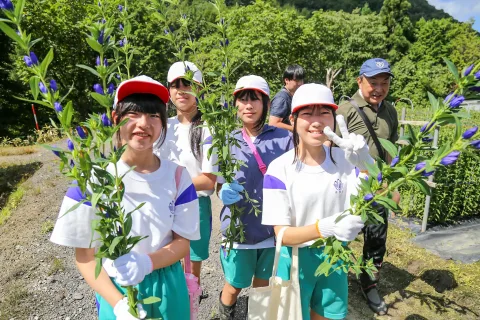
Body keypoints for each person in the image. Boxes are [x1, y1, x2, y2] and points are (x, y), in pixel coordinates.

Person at [50, 75, 200, 319]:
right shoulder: (90, 181)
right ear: (115, 119)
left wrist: (146, 263)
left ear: (163, 123)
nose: (144, 123)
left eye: (154, 115)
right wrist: (119, 304)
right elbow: (86, 257)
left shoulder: (178, 177)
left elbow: (183, 243)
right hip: (115, 288)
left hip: (168, 285)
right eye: (133, 114)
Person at [262, 83, 372, 320]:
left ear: (333, 118)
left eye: (324, 112)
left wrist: (366, 166)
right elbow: (282, 234)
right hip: (295, 259)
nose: (316, 121)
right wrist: (323, 228)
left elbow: (380, 198)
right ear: (293, 119)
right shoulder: (279, 169)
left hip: (335, 257)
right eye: (307, 113)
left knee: (329, 314)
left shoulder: (345, 159)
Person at [216, 75, 293, 320]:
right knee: (234, 285)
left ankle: (256, 316)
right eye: (243, 99)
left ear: (266, 104)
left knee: (262, 287)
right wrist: (222, 191)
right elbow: (217, 182)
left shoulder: (284, 139)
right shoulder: (226, 139)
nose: (248, 105)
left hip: (271, 230)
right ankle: (225, 314)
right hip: (238, 229)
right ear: (235, 104)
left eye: (255, 99)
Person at [335, 58, 399, 315]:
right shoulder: (345, 110)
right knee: (340, 230)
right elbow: (331, 150)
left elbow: (391, 152)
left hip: (377, 187)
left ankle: (368, 282)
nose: (379, 88)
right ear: (359, 81)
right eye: (373, 82)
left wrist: (392, 184)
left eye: (384, 83)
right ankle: (333, 277)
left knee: (376, 237)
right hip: (347, 185)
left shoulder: (391, 112)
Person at [155, 61, 217, 297]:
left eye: (187, 83)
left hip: (194, 203)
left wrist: (171, 185)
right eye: (175, 85)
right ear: (168, 91)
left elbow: (209, 179)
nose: (181, 89)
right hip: (162, 203)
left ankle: (193, 295)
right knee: (163, 254)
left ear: (199, 89)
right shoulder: (162, 126)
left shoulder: (207, 128)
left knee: (193, 259)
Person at [268, 64, 305, 132]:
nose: (300, 83)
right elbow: (273, 123)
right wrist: (297, 130)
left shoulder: (292, 96)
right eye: (297, 80)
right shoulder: (282, 98)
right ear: (286, 80)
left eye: (301, 80)